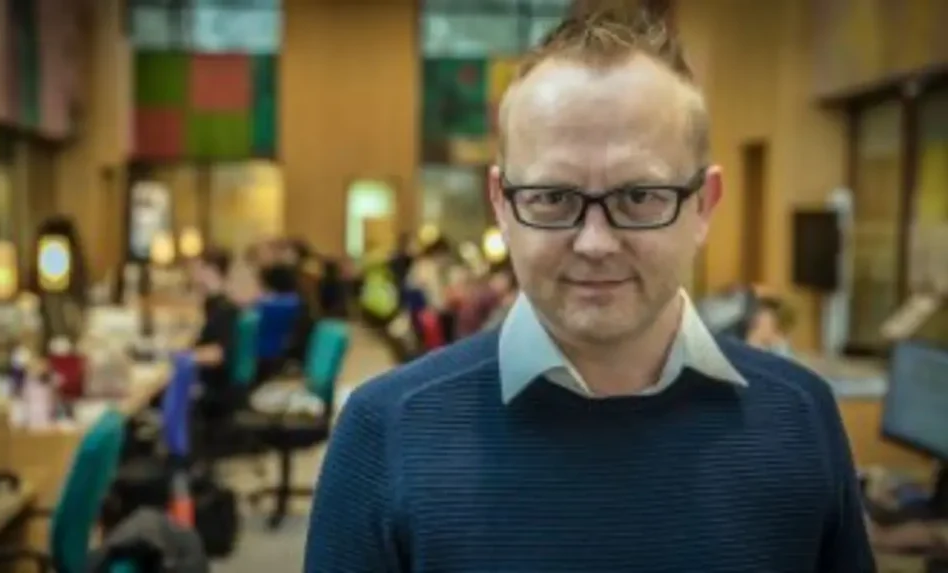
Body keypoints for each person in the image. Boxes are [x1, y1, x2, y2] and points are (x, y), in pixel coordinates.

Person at [305, 4, 874, 572]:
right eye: (553, 198)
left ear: (703, 205)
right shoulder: (385, 432)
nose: (595, 242)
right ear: (502, 205)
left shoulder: (802, 416)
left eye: (639, 197)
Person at [189, 248, 240, 430]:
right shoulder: (216, 304)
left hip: (213, 387)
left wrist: (177, 356)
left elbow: (217, 354)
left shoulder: (224, 309)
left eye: (197, 269)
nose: (192, 275)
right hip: (215, 381)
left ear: (210, 270)